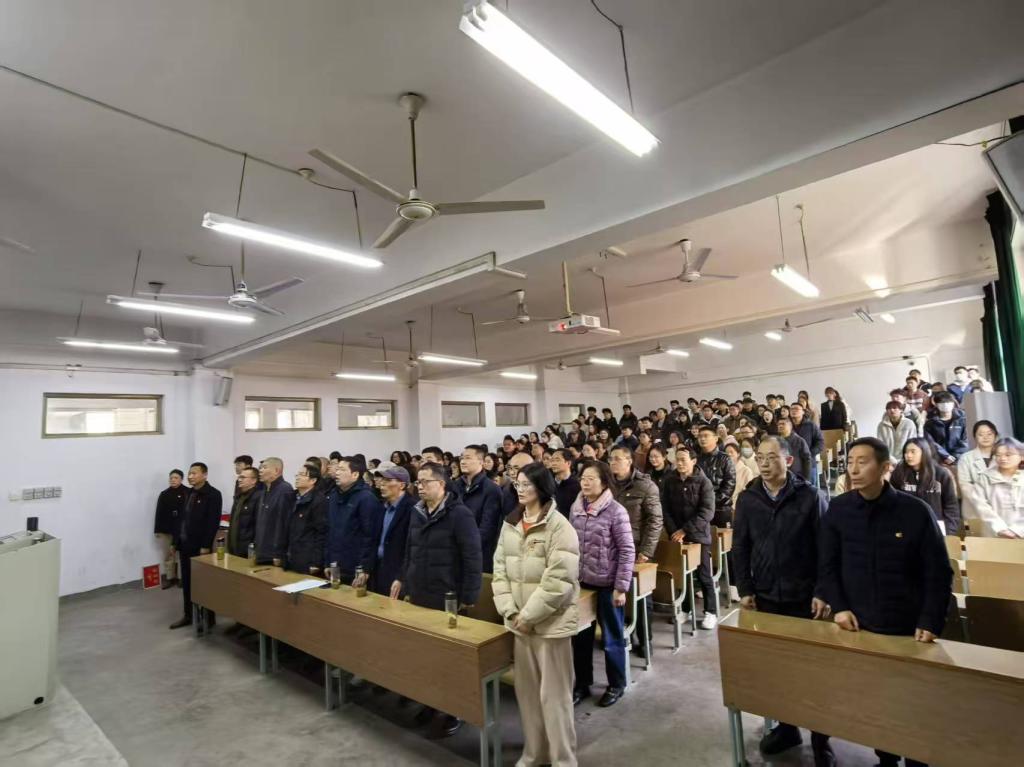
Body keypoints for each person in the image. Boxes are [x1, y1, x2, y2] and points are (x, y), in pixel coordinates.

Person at [817, 437, 951, 767]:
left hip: (909, 629)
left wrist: (930, 620)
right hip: (860, 625)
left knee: (913, 704)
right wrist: (840, 607)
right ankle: (886, 759)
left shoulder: (914, 511)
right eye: (850, 462)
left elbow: (938, 572)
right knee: (879, 702)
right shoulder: (840, 509)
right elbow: (827, 565)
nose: (853, 469)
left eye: (862, 462)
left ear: (885, 468)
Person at [733, 436, 833, 765]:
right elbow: (740, 547)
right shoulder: (748, 499)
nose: (763, 463)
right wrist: (745, 588)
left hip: (805, 598)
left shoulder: (809, 496)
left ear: (788, 461)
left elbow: (827, 549)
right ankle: (788, 728)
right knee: (778, 670)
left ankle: (821, 739)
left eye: (771, 457)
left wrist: (822, 591)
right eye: (760, 457)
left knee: (813, 672)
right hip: (766, 598)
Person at [492, 462, 580, 767]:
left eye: (527, 484)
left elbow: (559, 580)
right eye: (517, 483)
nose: (521, 489)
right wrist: (510, 610)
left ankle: (563, 759)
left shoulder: (559, 527)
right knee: (528, 696)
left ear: (542, 488)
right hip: (519, 623)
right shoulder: (511, 523)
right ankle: (535, 753)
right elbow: (499, 570)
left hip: (550, 625)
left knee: (554, 697)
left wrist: (529, 616)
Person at [391, 461, 482, 738]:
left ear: (441, 484)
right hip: (420, 593)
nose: (420, 487)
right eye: (418, 482)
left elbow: (472, 557)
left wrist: (469, 596)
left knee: (451, 660)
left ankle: (456, 710)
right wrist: (402, 577)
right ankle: (431, 703)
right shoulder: (417, 512)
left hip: (448, 597)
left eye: (425, 482)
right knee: (426, 656)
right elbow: (410, 549)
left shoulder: (460, 515)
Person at [570, 460, 635, 708]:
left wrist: (621, 587)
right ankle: (582, 684)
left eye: (591, 479)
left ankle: (616, 684)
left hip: (608, 584)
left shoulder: (616, 511)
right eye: (583, 478)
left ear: (604, 482)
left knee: (611, 638)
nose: (585, 483)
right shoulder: (576, 508)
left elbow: (627, 550)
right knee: (581, 638)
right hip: (583, 582)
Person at [607, 444, 663, 649]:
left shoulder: (645, 486)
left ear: (629, 461)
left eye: (617, 458)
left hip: (637, 548)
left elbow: (655, 521)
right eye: (610, 459)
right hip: (611, 549)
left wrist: (646, 552)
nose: (613, 462)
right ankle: (621, 636)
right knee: (616, 595)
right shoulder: (607, 484)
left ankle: (645, 640)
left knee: (641, 596)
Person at [660, 446, 719, 629]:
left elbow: (707, 512)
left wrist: (685, 530)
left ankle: (711, 612)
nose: (679, 463)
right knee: (681, 575)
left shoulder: (704, 482)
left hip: (698, 535)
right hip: (676, 536)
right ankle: (686, 609)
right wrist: (674, 531)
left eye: (683, 460)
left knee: (703, 575)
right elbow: (665, 508)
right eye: (677, 459)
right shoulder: (669, 481)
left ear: (693, 461)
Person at [169, 463, 223, 630]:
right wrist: (174, 542)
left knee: (204, 583)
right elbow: (181, 520)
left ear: (204, 475)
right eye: (189, 473)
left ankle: (208, 618)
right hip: (185, 545)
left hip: (200, 547)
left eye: (194, 473)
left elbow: (212, 523)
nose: (190, 476)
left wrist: (206, 545)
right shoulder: (188, 493)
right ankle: (189, 615)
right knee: (187, 582)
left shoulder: (213, 494)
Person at [326, 455, 383, 582]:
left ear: (355, 475)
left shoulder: (366, 498)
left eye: (342, 470)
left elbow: (370, 537)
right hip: (335, 564)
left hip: (356, 567)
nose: (337, 473)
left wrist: (364, 568)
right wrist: (328, 561)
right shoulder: (334, 495)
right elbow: (329, 531)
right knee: (333, 592)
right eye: (337, 469)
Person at [363, 465, 415, 596]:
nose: (382, 484)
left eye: (387, 481)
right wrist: (366, 568)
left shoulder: (412, 509)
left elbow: (411, 548)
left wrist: (401, 576)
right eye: (382, 480)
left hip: (398, 573)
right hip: (379, 569)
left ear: (402, 485)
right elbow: (374, 540)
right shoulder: (382, 507)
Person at [890, 438, 960, 534]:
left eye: (913, 452)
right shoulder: (899, 473)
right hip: (907, 528)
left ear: (924, 452)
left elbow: (951, 505)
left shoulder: (941, 474)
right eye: (906, 452)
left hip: (935, 528)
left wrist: (949, 531)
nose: (908, 455)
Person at [456, 445, 504, 573]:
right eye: (461, 458)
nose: (463, 461)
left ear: (481, 462)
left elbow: (487, 529)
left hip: (478, 555)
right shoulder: (455, 487)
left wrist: (466, 548)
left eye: (468, 458)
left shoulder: (491, 490)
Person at [974, 437, 1024, 538]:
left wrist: (1016, 530)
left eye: (1008, 455)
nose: (1003, 458)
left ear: (1022, 456)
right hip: (994, 535)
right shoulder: (985, 478)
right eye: (998, 455)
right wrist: (1000, 528)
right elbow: (980, 505)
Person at [286, 463, 328, 575]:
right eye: (297, 474)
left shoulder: (319, 501)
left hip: (307, 558)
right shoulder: (292, 497)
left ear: (313, 480)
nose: (297, 477)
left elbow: (321, 533)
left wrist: (316, 562)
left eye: (302, 475)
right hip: (290, 555)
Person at [253, 457, 294, 565]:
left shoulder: (285, 490)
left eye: (264, 467)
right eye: (260, 468)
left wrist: (279, 553)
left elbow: (284, 524)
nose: (260, 470)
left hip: (274, 555)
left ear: (276, 470)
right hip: (261, 551)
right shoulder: (264, 490)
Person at [695, 425, 736, 527]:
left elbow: (729, 485)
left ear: (716, 438)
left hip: (720, 509)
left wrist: (711, 501)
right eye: (700, 436)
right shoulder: (696, 460)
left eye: (706, 436)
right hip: (700, 510)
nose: (702, 439)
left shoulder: (725, 459)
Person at [957, 420, 999, 519]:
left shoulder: (1003, 456)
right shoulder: (966, 458)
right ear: (975, 437)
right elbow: (965, 486)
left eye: (989, 434)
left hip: (1001, 509)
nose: (985, 437)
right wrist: (984, 503)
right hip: (976, 510)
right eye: (981, 434)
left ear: (996, 436)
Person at [154, 469, 187, 589]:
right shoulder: (164, 494)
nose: (173, 480)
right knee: (169, 554)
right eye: (171, 478)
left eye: (176, 478)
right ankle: (170, 578)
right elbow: (159, 512)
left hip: (183, 529)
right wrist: (157, 530)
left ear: (181, 479)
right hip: (167, 529)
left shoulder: (188, 492)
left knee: (182, 554)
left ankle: (182, 578)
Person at [923, 391, 968, 466]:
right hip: (939, 460)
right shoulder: (930, 423)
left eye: (948, 402)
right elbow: (930, 442)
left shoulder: (962, 420)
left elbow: (966, 440)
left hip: (961, 459)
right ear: (936, 404)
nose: (945, 405)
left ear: (953, 403)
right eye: (942, 403)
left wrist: (955, 457)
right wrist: (945, 456)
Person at [226, 466, 260, 558]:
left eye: (243, 477)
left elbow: (258, 526)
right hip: (233, 548)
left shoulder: (259, 498)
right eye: (239, 477)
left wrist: (253, 549)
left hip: (247, 550)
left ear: (254, 480)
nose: (239, 480)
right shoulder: (238, 497)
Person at [789, 403, 824, 487]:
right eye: (792, 409)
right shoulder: (787, 426)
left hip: (809, 462)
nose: (794, 411)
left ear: (803, 412)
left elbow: (820, 442)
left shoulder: (811, 425)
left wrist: (809, 454)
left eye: (796, 409)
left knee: (810, 488)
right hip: (791, 465)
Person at [550, 448, 581, 519]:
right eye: (552, 460)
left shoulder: (577, 486)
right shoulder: (548, 483)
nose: (553, 463)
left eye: (557, 460)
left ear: (568, 463)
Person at [723, 440, 754, 506]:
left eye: (731, 452)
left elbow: (749, 492)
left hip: (739, 505)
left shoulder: (746, 471)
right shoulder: (723, 469)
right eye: (726, 453)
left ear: (738, 454)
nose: (729, 454)